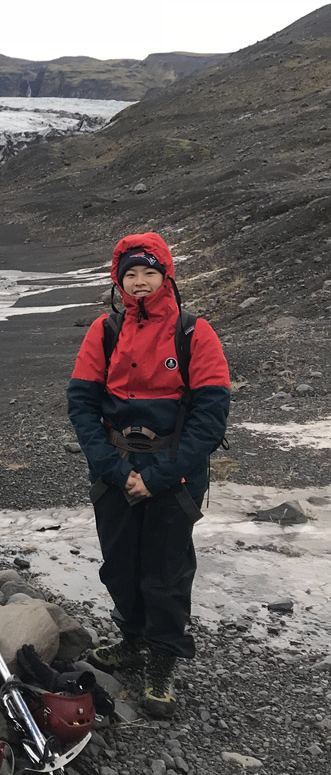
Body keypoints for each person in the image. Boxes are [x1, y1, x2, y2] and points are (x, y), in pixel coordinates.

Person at [66, 231, 230, 718]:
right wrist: (115, 468)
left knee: (166, 570)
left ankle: (163, 659)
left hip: (173, 474)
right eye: (130, 275)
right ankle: (132, 640)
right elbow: (81, 403)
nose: (139, 283)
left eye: (148, 273)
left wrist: (158, 476)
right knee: (120, 563)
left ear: (166, 277)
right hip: (116, 469)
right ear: (119, 281)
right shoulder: (104, 331)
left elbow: (210, 416)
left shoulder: (195, 333)